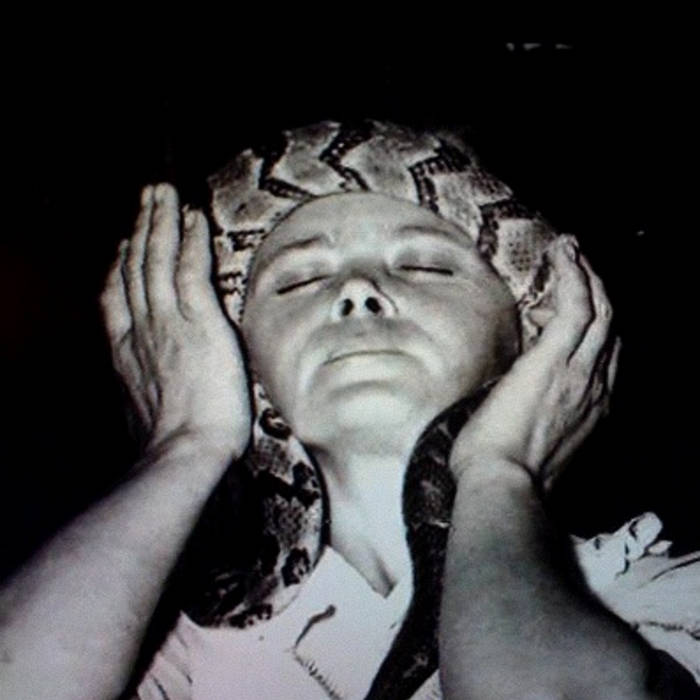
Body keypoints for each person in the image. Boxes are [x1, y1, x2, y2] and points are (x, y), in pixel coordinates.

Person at [1, 121, 698, 699]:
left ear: (535, 341)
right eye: (299, 279)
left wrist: (497, 471)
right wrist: (185, 443)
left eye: (425, 265)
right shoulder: (171, 648)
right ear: (235, 357)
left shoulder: (659, 591)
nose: (358, 291)